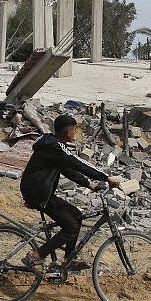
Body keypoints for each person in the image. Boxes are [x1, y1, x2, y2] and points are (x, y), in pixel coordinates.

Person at [19, 114, 120, 272]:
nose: (75, 134)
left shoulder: (52, 145)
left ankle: (68, 259)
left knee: (77, 216)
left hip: (38, 190)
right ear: (68, 132)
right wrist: (105, 177)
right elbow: (77, 163)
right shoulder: (55, 147)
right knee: (71, 228)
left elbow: (67, 169)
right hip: (38, 193)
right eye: (75, 130)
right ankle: (35, 255)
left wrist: (89, 184)